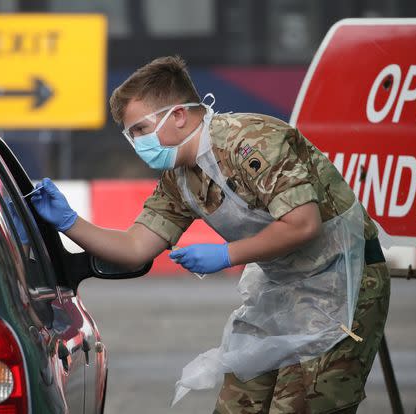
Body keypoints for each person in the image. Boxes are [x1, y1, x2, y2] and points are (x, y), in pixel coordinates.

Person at [30, 55, 390, 414]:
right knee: (237, 406)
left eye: (139, 129)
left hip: (343, 286)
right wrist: (69, 222)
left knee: (300, 405)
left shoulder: (249, 141)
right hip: (283, 292)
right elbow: (135, 247)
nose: (135, 142)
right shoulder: (180, 178)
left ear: (179, 116)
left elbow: (303, 223)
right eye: (130, 134)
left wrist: (227, 255)